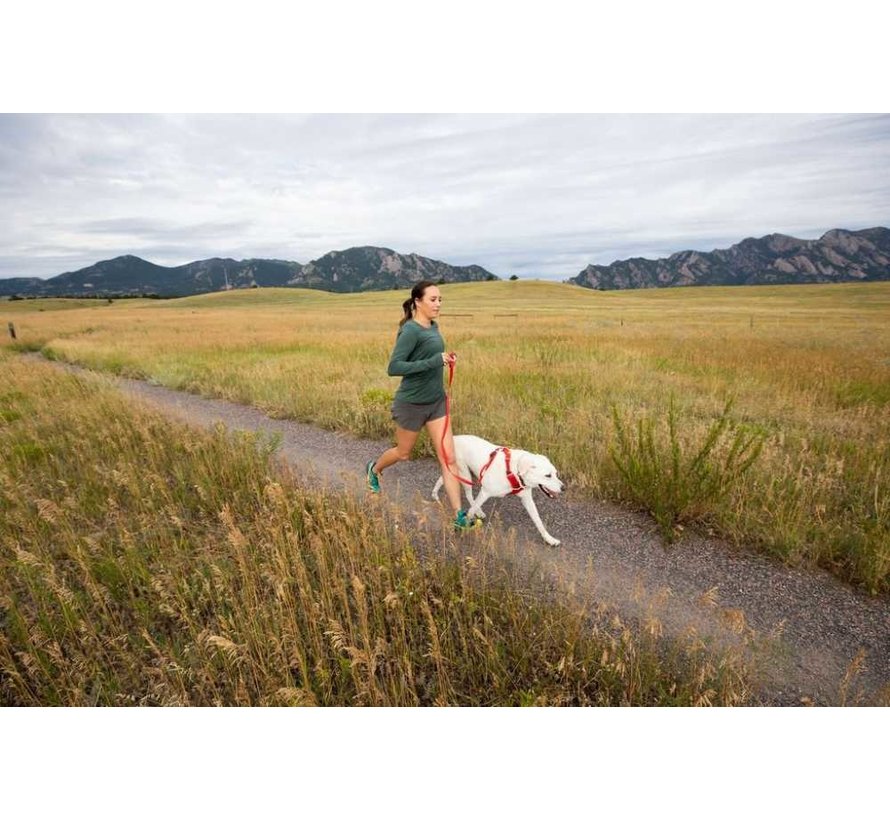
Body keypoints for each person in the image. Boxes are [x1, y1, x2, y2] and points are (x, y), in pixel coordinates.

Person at [365, 280, 479, 531]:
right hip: (412, 404)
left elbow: (430, 356)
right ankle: (374, 469)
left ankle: (459, 516)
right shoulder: (410, 331)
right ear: (418, 301)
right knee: (403, 453)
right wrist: (432, 362)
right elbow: (394, 368)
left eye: (440, 300)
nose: (438, 304)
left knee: (449, 459)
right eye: (433, 299)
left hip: (436, 402)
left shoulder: (433, 326)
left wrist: (445, 360)